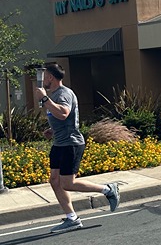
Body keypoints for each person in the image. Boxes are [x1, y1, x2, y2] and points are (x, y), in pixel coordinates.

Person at [35, 63, 121, 233]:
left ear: (50, 77)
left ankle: (108, 189)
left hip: (71, 144)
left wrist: (44, 99)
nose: (43, 81)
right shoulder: (54, 95)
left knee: (68, 183)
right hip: (59, 143)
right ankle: (72, 218)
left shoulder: (64, 93)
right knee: (54, 180)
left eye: (44, 77)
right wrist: (53, 130)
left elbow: (64, 113)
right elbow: (64, 119)